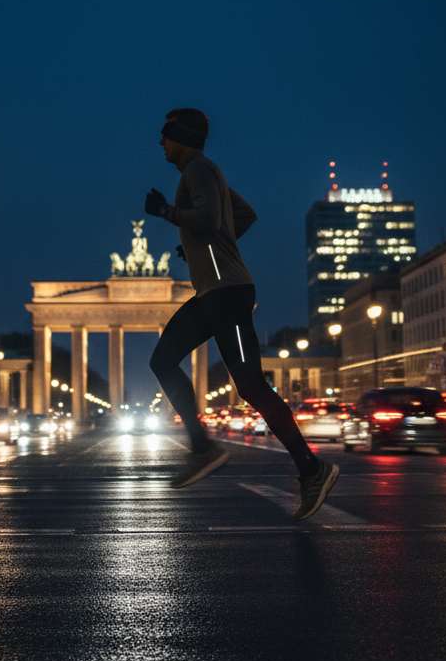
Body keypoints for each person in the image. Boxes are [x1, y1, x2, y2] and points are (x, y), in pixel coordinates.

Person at [145, 107, 339, 520]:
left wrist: (168, 213)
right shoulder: (203, 173)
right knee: (163, 360)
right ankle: (203, 447)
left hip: (226, 292)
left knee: (250, 386)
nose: (160, 143)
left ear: (181, 138)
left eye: (165, 136)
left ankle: (311, 468)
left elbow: (211, 219)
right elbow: (240, 216)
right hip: (216, 291)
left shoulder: (197, 169)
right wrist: (201, 245)